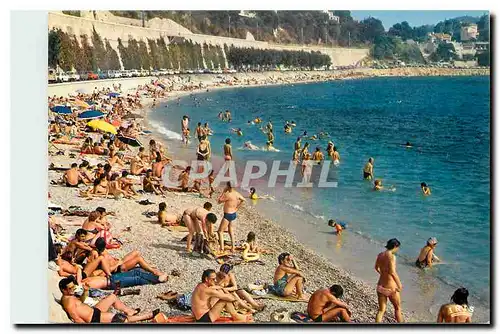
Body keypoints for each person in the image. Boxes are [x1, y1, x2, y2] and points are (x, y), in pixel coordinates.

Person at [59, 276, 158, 323]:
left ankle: (129, 311)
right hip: (93, 318)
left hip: (94, 311)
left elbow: (81, 302)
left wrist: (85, 291)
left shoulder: (69, 296)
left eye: (73, 287)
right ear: (63, 290)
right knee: (120, 319)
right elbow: (76, 318)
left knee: (112, 297)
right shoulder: (67, 301)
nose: (73, 289)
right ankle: (146, 316)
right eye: (70, 288)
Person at [85, 238, 168, 281]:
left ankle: (147, 266)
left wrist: (116, 260)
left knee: (136, 252)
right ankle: (154, 271)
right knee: (138, 259)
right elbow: (107, 270)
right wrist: (117, 264)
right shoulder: (96, 255)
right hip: (118, 268)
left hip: (118, 263)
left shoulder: (102, 251)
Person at [374, 238, 403, 323]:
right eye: (398, 248)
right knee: (397, 308)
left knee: (381, 310)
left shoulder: (380, 255)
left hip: (380, 286)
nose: (397, 250)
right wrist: (399, 284)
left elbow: (376, 268)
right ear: (395, 246)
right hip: (391, 287)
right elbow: (392, 272)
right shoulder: (392, 256)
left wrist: (382, 274)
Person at [217, 182, 245, 253]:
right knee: (231, 231)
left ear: (228, 186)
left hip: (227, 214)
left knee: (220, 231)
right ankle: (233, 248)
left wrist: (223, 192)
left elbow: (219, 201)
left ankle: (222, 248)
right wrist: (237, 208)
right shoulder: (237, 193)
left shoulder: (228, 194)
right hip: (234, 214)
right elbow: (243, 199)